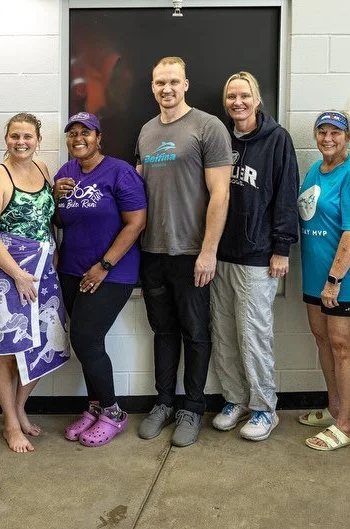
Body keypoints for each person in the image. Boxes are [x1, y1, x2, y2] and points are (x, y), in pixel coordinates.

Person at [135, 57, 232, 447]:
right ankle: (164, 403)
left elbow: (220, 194)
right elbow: (138, 186)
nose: (167, 88)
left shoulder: (208, 127)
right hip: (152, 251)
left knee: (195, 333)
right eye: (160, 82)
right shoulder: (146, 131)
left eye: (174, 81)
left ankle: (192, 408)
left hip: (192, 252)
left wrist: (208, 251)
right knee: (162, 331)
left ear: (186, 84)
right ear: (152, 87)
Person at [0, 112, 70, 453]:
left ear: (38, 140)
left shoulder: (42, 168)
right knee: (9, 349)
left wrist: (52, 251)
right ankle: (10, 423)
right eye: (15, 136)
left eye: (27, 136)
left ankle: (20, 408)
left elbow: (46, 218)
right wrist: (18, 275)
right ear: (6, 138)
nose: (21, 142)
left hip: (41, 268)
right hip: (4, 271)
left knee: (42, 342)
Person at [209, 71, 299, 442]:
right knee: (223, 333)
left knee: (253, 335)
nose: (238, 102)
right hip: (219, 254)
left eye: (244, 95)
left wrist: (282, 247)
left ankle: (264, 408)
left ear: (257, 99)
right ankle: (235, 400)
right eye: (231, 96)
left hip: (257, 255)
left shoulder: (277, 139)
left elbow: (286, 194)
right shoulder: (219, 137)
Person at [53, 112, 147, 447]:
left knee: (86, 337)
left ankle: (113, 412)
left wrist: (104, 265)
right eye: (72, 133)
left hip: (112, 272)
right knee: (85, 343)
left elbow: (136, 222)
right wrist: (54, 197)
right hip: (71, 270)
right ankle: (94, 408)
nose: (78, 138)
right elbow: (59, 222)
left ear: (98, 138)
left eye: (86, 132)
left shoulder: (120, 172)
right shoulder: (65, 172)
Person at [297, 110, 350, 451]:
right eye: (322, 132)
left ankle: (346, 425)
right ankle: (333, 408)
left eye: (335, 132)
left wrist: (334, 279)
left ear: (347, 137)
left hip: (343, 280)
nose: (328, 138)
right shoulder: (316, 169)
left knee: (343, 346)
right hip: (316, 276)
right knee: (323, 341)